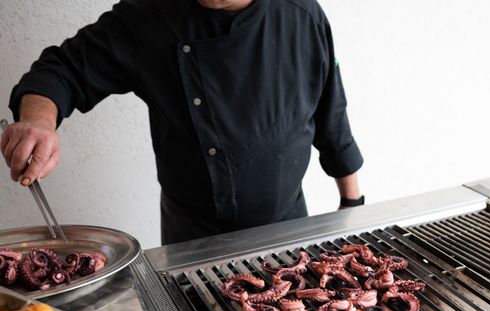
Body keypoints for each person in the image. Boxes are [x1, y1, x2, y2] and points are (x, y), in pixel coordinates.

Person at [1, 0, 364, 245]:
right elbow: (62, 70)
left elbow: (330, 109)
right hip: (193, 237)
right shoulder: (148, 16)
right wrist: (38, 121)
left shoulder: (302, 14)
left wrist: (352, 203)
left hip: (289, 226)